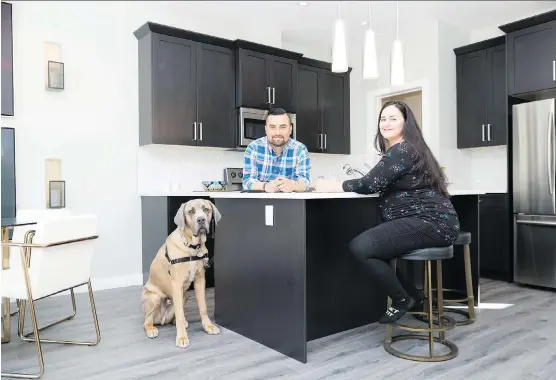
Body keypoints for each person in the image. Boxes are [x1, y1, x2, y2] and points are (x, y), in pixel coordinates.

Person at [314, 100, 460, 324]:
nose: (386, 123)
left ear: (406, 123)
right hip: (431, 222)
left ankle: (401, 299)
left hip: (430, 223)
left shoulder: (403, 150)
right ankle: (414, 295)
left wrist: (330, 186)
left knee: (361, 247)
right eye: (383, 118)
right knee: (377, 249)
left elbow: (369, 184)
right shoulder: (406, 150)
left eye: (393, 118)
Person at [242, 107, 311, 193]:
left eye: (282, 127)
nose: (277, 132)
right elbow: (247, 181)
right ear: (266, 129)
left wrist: (293, 185)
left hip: (293, 205)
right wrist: (265, 186)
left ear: (290, 129)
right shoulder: (253, 148)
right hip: (259, 204)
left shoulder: (301, 150)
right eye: (272, 127)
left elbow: (305, 182)